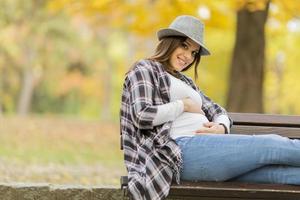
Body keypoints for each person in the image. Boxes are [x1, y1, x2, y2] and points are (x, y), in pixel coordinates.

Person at [120, 15, 300, 200]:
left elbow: (218, 111)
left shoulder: (185, 81)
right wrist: (183, 105)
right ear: (169, 42)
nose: (188, 57)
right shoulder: (145, 69)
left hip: (207, 153)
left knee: (280, 174)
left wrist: (221, 127)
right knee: (271, 145)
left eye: (194, 53)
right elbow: (142, 115)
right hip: (181, 151)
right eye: (184, 46)